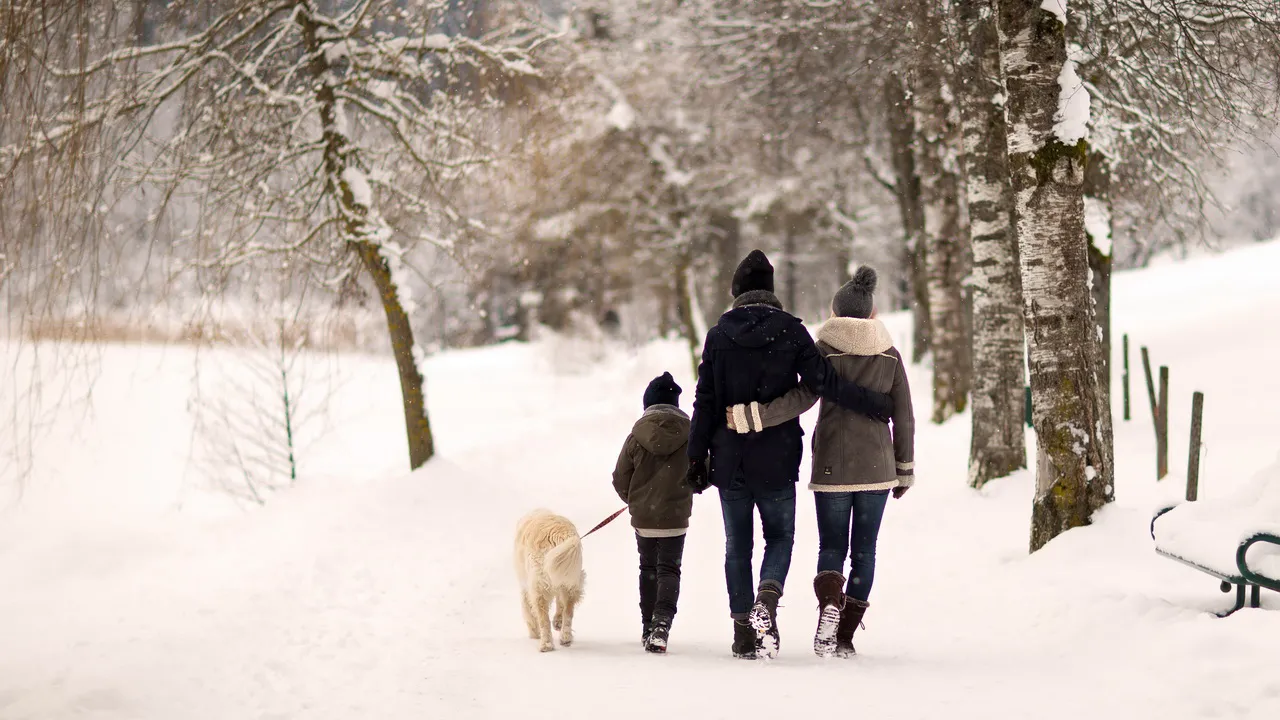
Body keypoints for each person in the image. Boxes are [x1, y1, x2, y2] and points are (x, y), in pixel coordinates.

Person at [684, 249, 896, 660]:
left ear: (738, 292)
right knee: (779, 537)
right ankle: (767, 596)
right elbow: (823, 382)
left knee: (736, 546)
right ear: (771, 290)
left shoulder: (718, 335)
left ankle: (744, 631)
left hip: (730, 460)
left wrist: (696, 458)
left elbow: (705, 401)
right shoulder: (791, 332)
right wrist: (872, 402)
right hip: (777, 457)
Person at [612, 371, 692, 654]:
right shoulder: (690, 434)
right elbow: (703, 473)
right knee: (669, 568)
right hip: (675, 517)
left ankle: (648, 625)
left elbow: (620, 477)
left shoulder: (636, 436)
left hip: (644, 518)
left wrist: (634, 500)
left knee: (648, 568)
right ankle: (662, 624)